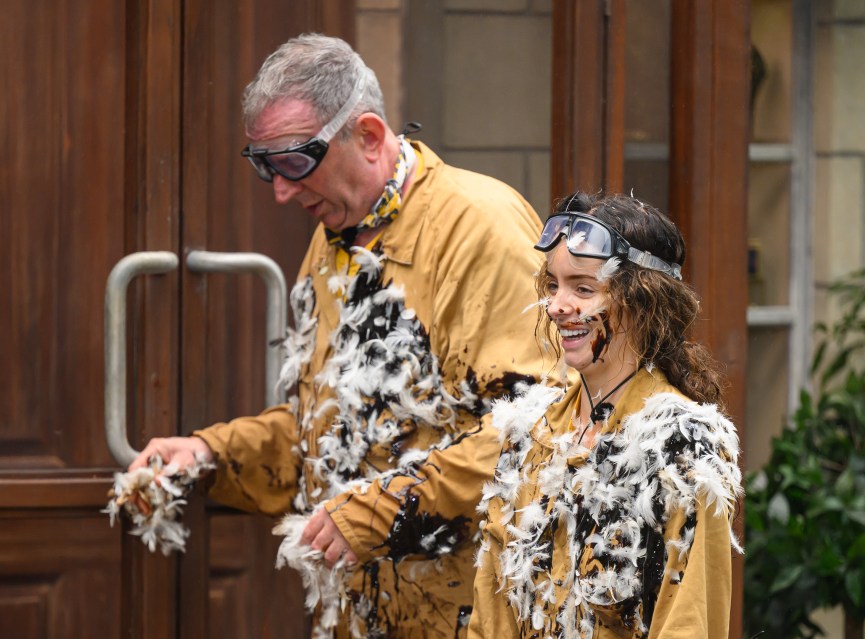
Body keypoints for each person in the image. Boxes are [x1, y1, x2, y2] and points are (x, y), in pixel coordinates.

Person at [129, 33, 551, 638]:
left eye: (297, 162)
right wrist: (209, 454)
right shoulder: (341, 236)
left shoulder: (479, 227)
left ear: (371, 135)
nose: (281, 191)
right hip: (363, 612)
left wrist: (384, 505)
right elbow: (329, 431)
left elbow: (540, 431)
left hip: (472, 613)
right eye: (264, 166)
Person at [468, 192, 743, 639]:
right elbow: (491, 610)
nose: (557, 306)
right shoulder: (529, 433)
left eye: (583, 288)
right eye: (554, 285)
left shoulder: (685, 443)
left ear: (643, 301)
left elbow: (688, 622)